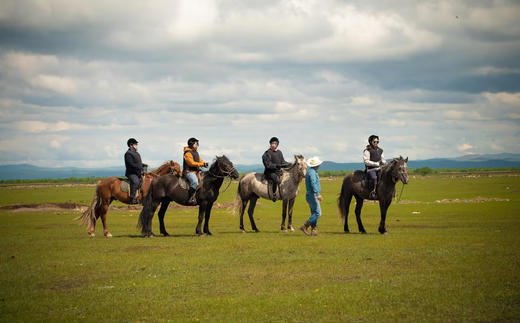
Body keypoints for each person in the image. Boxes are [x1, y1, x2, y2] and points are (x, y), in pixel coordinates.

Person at [262, 137, 290, 202]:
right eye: (272, 143)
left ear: (277, 144)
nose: (274, 145)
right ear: (270, 144)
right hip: (269, 172)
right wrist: (277, 166)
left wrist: (289, 164)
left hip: (278, 171)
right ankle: (274, 194)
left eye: (275, 143)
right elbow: (267, 165)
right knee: (276, 179)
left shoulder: (279, 152)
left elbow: (282, 162)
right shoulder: (267, 153)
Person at [300, 156, 323, 236]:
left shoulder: (310, 171)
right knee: (318, 213)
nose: (319, 166)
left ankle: (314, 231)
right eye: (318, 164)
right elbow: (313, 183)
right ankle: (305, 226)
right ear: (316, 165)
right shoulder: (313, 172)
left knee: (314, 212)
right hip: (313, 194)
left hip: (309, 194)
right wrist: (318, 194)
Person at [183, 137, 208, 205]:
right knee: (195, 182)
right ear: (191, 144)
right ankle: (190, 198)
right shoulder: (187, 153)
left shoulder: (196, 152)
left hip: (196, 172)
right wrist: (202, 164)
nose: (197, 146)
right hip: (189, 172)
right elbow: (191, 163)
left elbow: (200, 160)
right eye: (196, 144)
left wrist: (204, 164)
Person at [363, 135, 386, 199]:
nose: (376, 143)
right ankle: (373, 192)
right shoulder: (367, 150)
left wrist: (384, 163)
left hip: (379, 168)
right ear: (370, 142)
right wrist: (376, 164)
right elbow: (366, 161)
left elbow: (383, 159)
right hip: (371, 169)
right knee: (374, 178)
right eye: (374, 142)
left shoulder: (380, 150)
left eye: (377, 142)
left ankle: (390, 191)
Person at [124, 138, 143, 204]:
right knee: (135, 182)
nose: (137, 146)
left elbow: (139, 163)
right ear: (131, 145)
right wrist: (138, 168)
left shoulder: (137, 153)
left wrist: (143, 166)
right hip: (132, 173)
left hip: (138, 172)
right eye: (136, 144)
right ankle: (132, 198)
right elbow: (131, 164)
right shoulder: (128, 154)